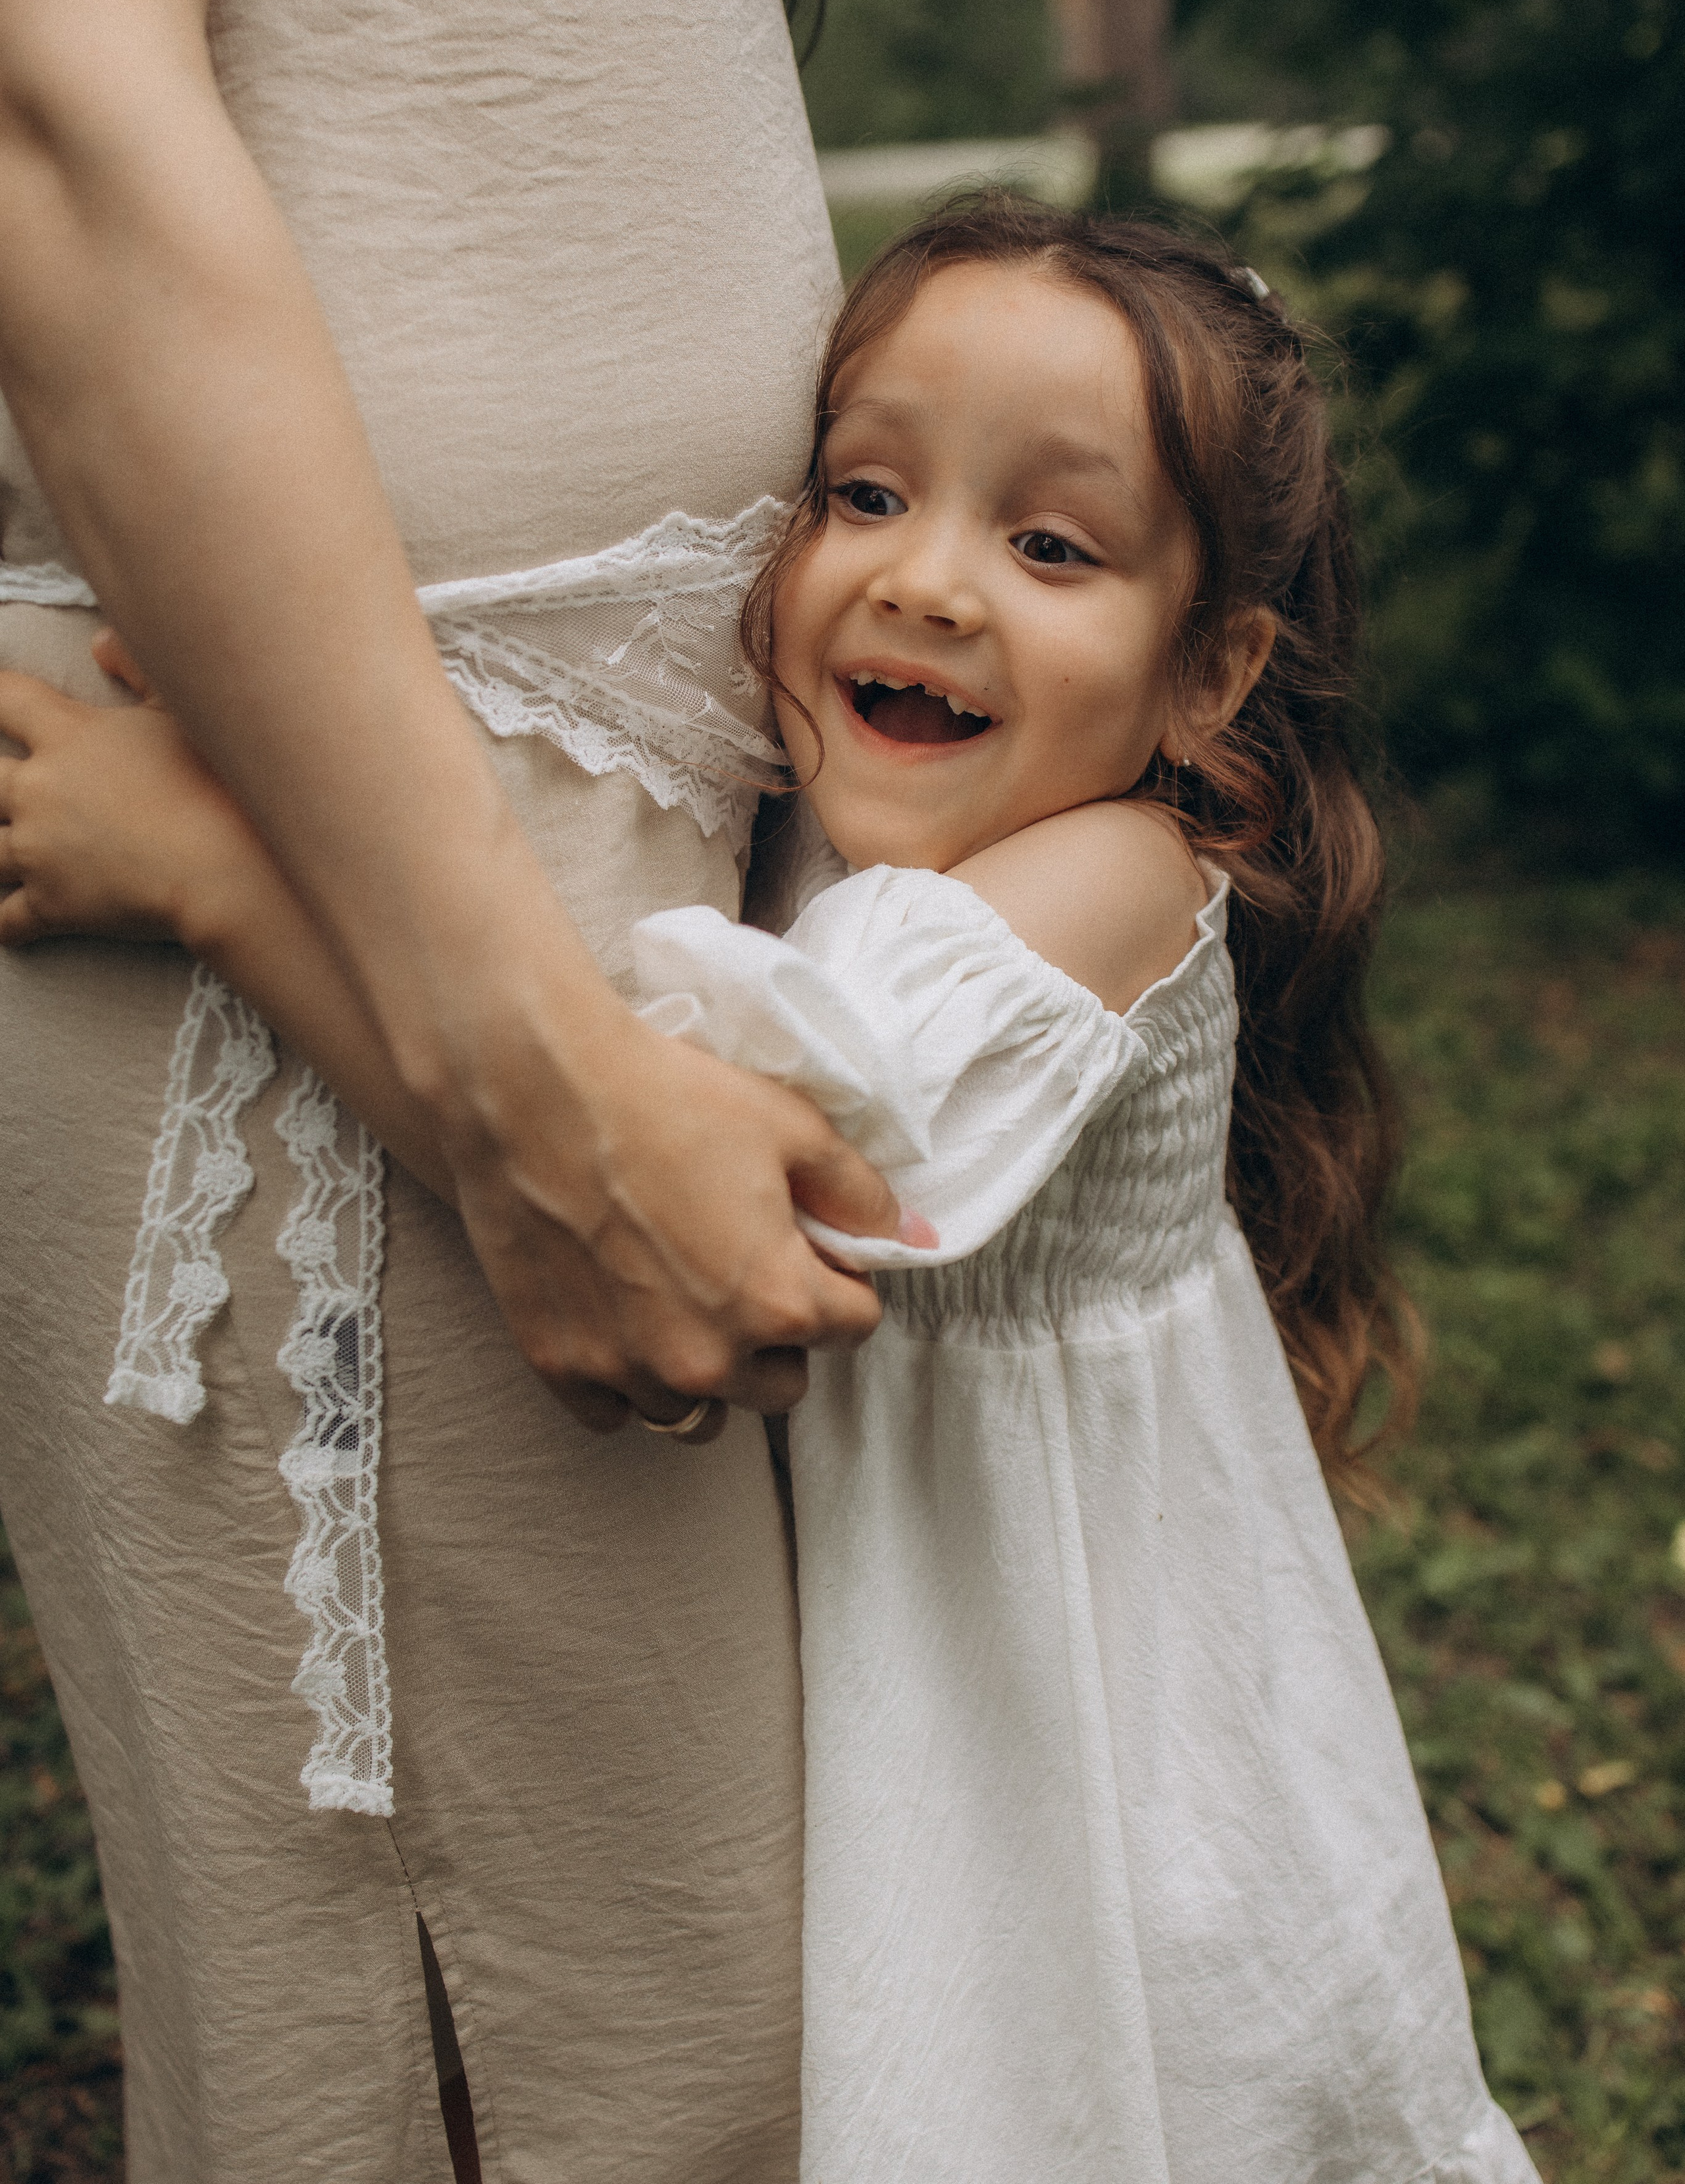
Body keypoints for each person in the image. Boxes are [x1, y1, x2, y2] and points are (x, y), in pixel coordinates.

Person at [0, 196, 1542, 2182]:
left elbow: (693, 1174)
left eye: (1050, 545)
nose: (930, 584)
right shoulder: (825, 827)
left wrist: (224, 870)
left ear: (1209, 674)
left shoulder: (1114, 886)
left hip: (1080, 1753)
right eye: (866, 492)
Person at [0, 0, 903, 2179]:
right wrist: (519, 1085)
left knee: (704, 2037)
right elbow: (52, 119)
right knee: (505, 2079)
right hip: (335, 901)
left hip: (555, 880)